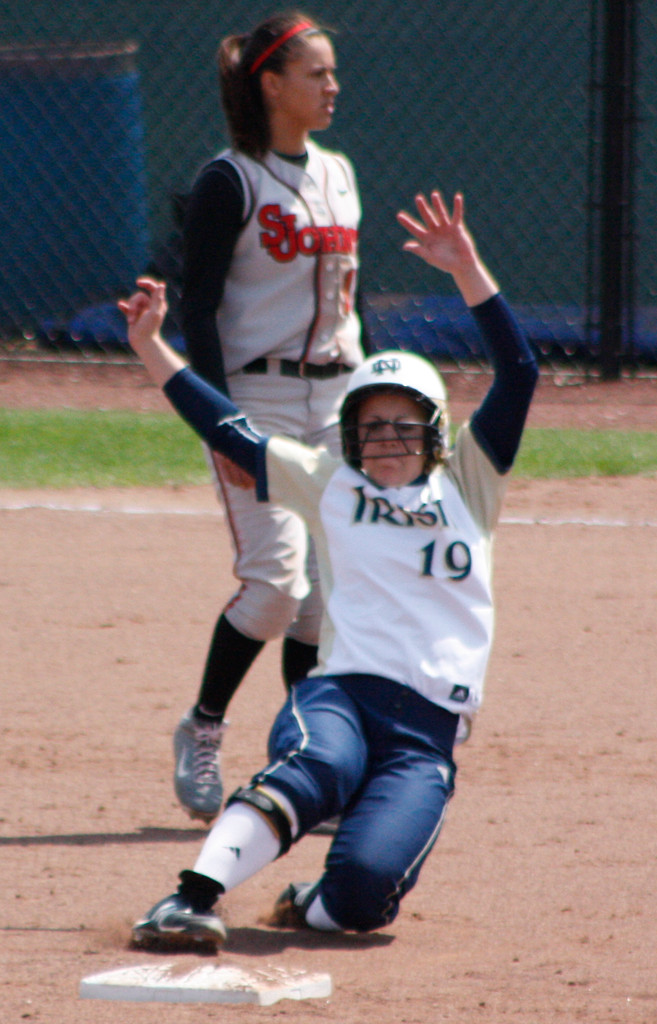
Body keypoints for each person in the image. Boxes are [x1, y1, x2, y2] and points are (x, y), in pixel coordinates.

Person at [119, 189, 538, 946]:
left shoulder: (469, 483)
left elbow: (519, 372)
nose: (385, 437)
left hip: (428, 732)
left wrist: (467, 270)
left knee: (364, 896)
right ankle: (188, 898)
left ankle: (312, 899)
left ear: (436, 432)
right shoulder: (332, 484)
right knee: (319, 767)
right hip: (341, 693)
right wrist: (152, 346)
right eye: (369, 424)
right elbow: (229, 428)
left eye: (402, 422)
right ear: (348, 435)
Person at [173, 11, 368, 823]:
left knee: (324, 597)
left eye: (331, 72)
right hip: (258, 400)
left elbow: (350, 302)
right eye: (316, 73)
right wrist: (220, 422)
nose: (332, 86)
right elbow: (197, 309)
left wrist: (374, 398)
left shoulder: (338, 173)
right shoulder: (232, 181)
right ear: (272, 85)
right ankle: (203, 725)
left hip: (337, 398)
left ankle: (305, 757)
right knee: (276, 587)